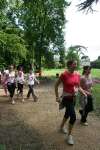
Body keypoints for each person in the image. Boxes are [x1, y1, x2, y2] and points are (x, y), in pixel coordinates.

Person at [55, 60, 86, 145]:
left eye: (76, 64)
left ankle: (61, 127)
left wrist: (83, 93)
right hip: (66, 98)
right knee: (73, 116)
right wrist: (57, 97)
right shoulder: (64, 75)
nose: (76, 65)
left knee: (68, 113)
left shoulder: (77, 74)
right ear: (69, 65)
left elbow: (78, 86)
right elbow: (56, 85)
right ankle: (70, 136)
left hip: (74, 98)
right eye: (74, 64)